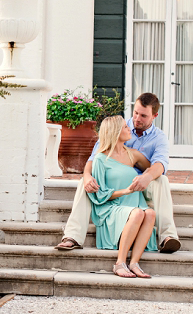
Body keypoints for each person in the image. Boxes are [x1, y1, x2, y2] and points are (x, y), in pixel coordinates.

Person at [54, 92, 180, 253]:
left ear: (154, 116)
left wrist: (147, 177)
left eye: (143, 116)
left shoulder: (158, 137)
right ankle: (72, 236)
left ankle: (167, 236)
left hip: (139, 185)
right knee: (84, 184)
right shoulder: (117, 126)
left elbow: (160, 164)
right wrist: (86, 176)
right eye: (135, 113)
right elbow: (94, 157)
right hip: (113, 181)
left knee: (162, 180)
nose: (137, 119)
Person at [86, 115, 157, 278]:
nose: (129, 129)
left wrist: (145, 177)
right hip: (112, 208)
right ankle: (120, 263)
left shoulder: (132, 155)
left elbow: (154, 168)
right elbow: (100, 194)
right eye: (125, 127)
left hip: (133, 204)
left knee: (150, 213)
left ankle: (134, 263)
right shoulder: (100, 159)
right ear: (116, 132)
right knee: (138, 212)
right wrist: (126, 191)